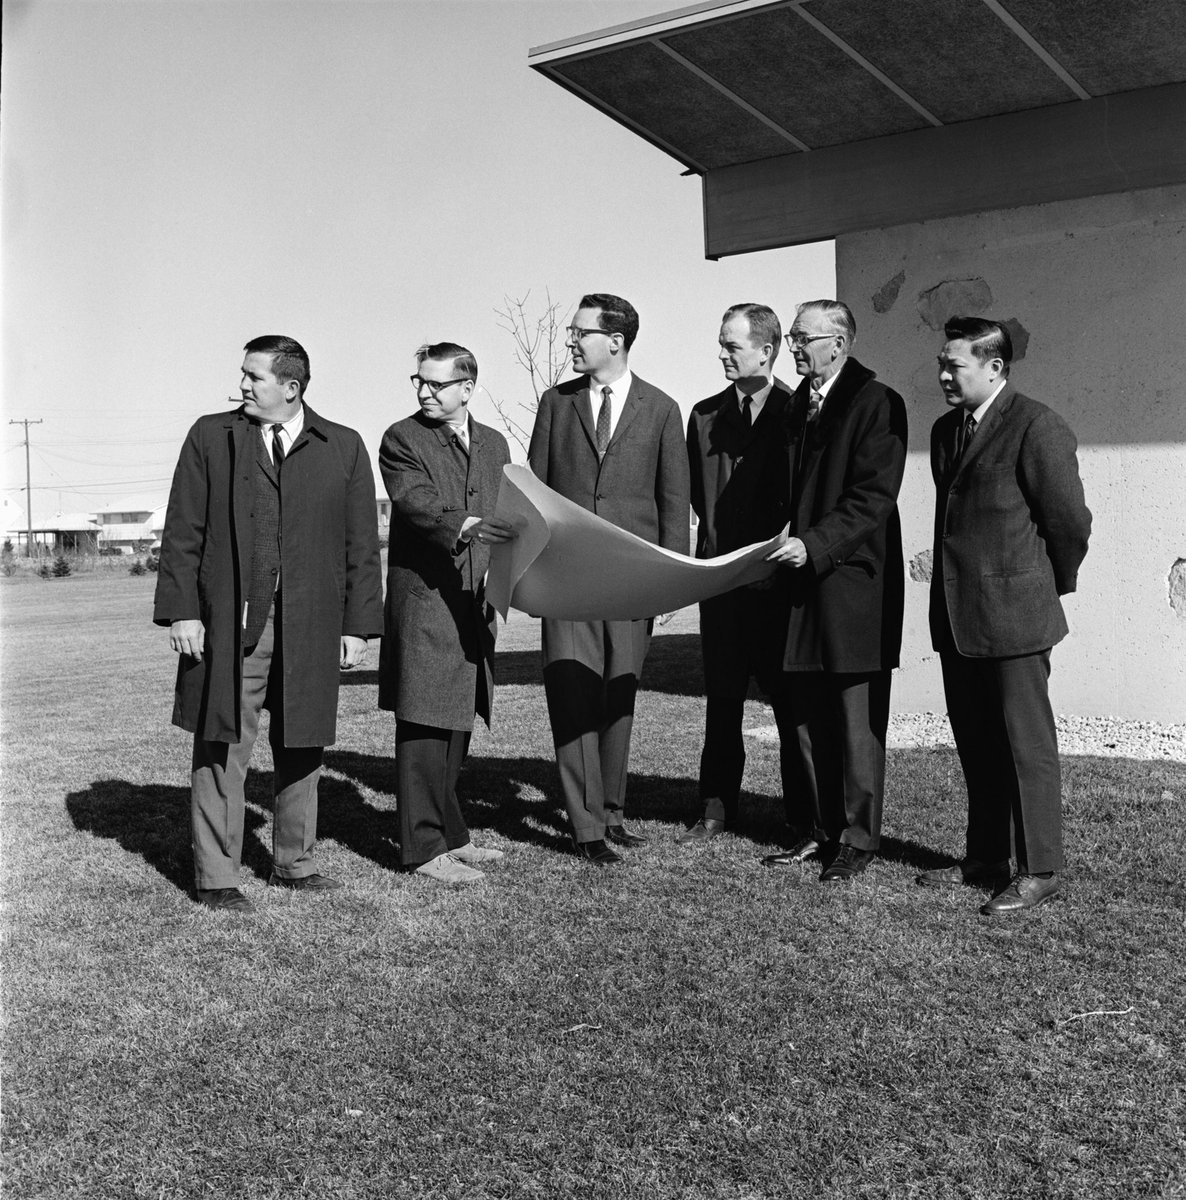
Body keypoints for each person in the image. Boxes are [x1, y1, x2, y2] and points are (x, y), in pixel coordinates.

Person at [154, 335, 383, 913]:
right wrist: (183, 610)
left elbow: (362, 546)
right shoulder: (212, 435)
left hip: (312, 620)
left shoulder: (344, 446)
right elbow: (183, 531)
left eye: (255, 377)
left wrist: (357, 627)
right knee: (221, 741)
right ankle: (216, 875)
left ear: (292, 387)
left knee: (303, 740)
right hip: (228, 621)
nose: (243, 386)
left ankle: (295, 864)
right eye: (244, 375)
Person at [917, 317, 1091, 915]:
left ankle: (1040, 869)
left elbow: (1069, 523)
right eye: (941, 362)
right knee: (978, 744)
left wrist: (1047, 585)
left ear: (994, 368)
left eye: (954, 365)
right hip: (959, 619)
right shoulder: (946, 430)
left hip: (1017, 617)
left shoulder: (1037, 425)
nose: (942, 374)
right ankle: (986, 856)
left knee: (1025, 747)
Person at [528, 293, 690, 865]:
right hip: (568, 582)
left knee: (618, 697)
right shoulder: (556, 403)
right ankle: (586, 826)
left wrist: (671, 580)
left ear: (615, 341)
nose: (570, 341)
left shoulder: (663, 409)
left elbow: (675, 502)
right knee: (572, 698)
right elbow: (536, 495)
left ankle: (613, 813)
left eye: (579, 332)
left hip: (633, 584)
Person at [762, 300, 907, 882]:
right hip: (797, 585)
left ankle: (857, 838)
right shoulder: (798, 404)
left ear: (838, 343)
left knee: (853, 717)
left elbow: (873, 497)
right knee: (802, 715)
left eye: (801, 337)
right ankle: (816, 831)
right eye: (793, 337)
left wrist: (814, 545)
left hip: (849, 585)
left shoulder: (877, 403)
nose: (792, 346)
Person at [378, 342, 515, 884]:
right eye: (420, 382)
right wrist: (466, 525)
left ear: (468, 387)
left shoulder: (495, 442)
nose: (425, 392)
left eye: (437, 384)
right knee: (424, 724)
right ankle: (423, 848)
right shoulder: (401, 438)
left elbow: (510, 509)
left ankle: (452, 835)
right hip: (426, 604)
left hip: (475, 602)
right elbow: (415, 502)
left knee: (458, 719)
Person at [679, 303, 795, 844]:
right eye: (721, 344)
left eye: (733, 345)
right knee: (722, 701)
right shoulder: (702, 416)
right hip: (721, 587)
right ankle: (716, 805)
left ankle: (802, 812)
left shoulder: (798, 415)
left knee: (789, 703)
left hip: (779, 586)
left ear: (767, 351)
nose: (722, 354)